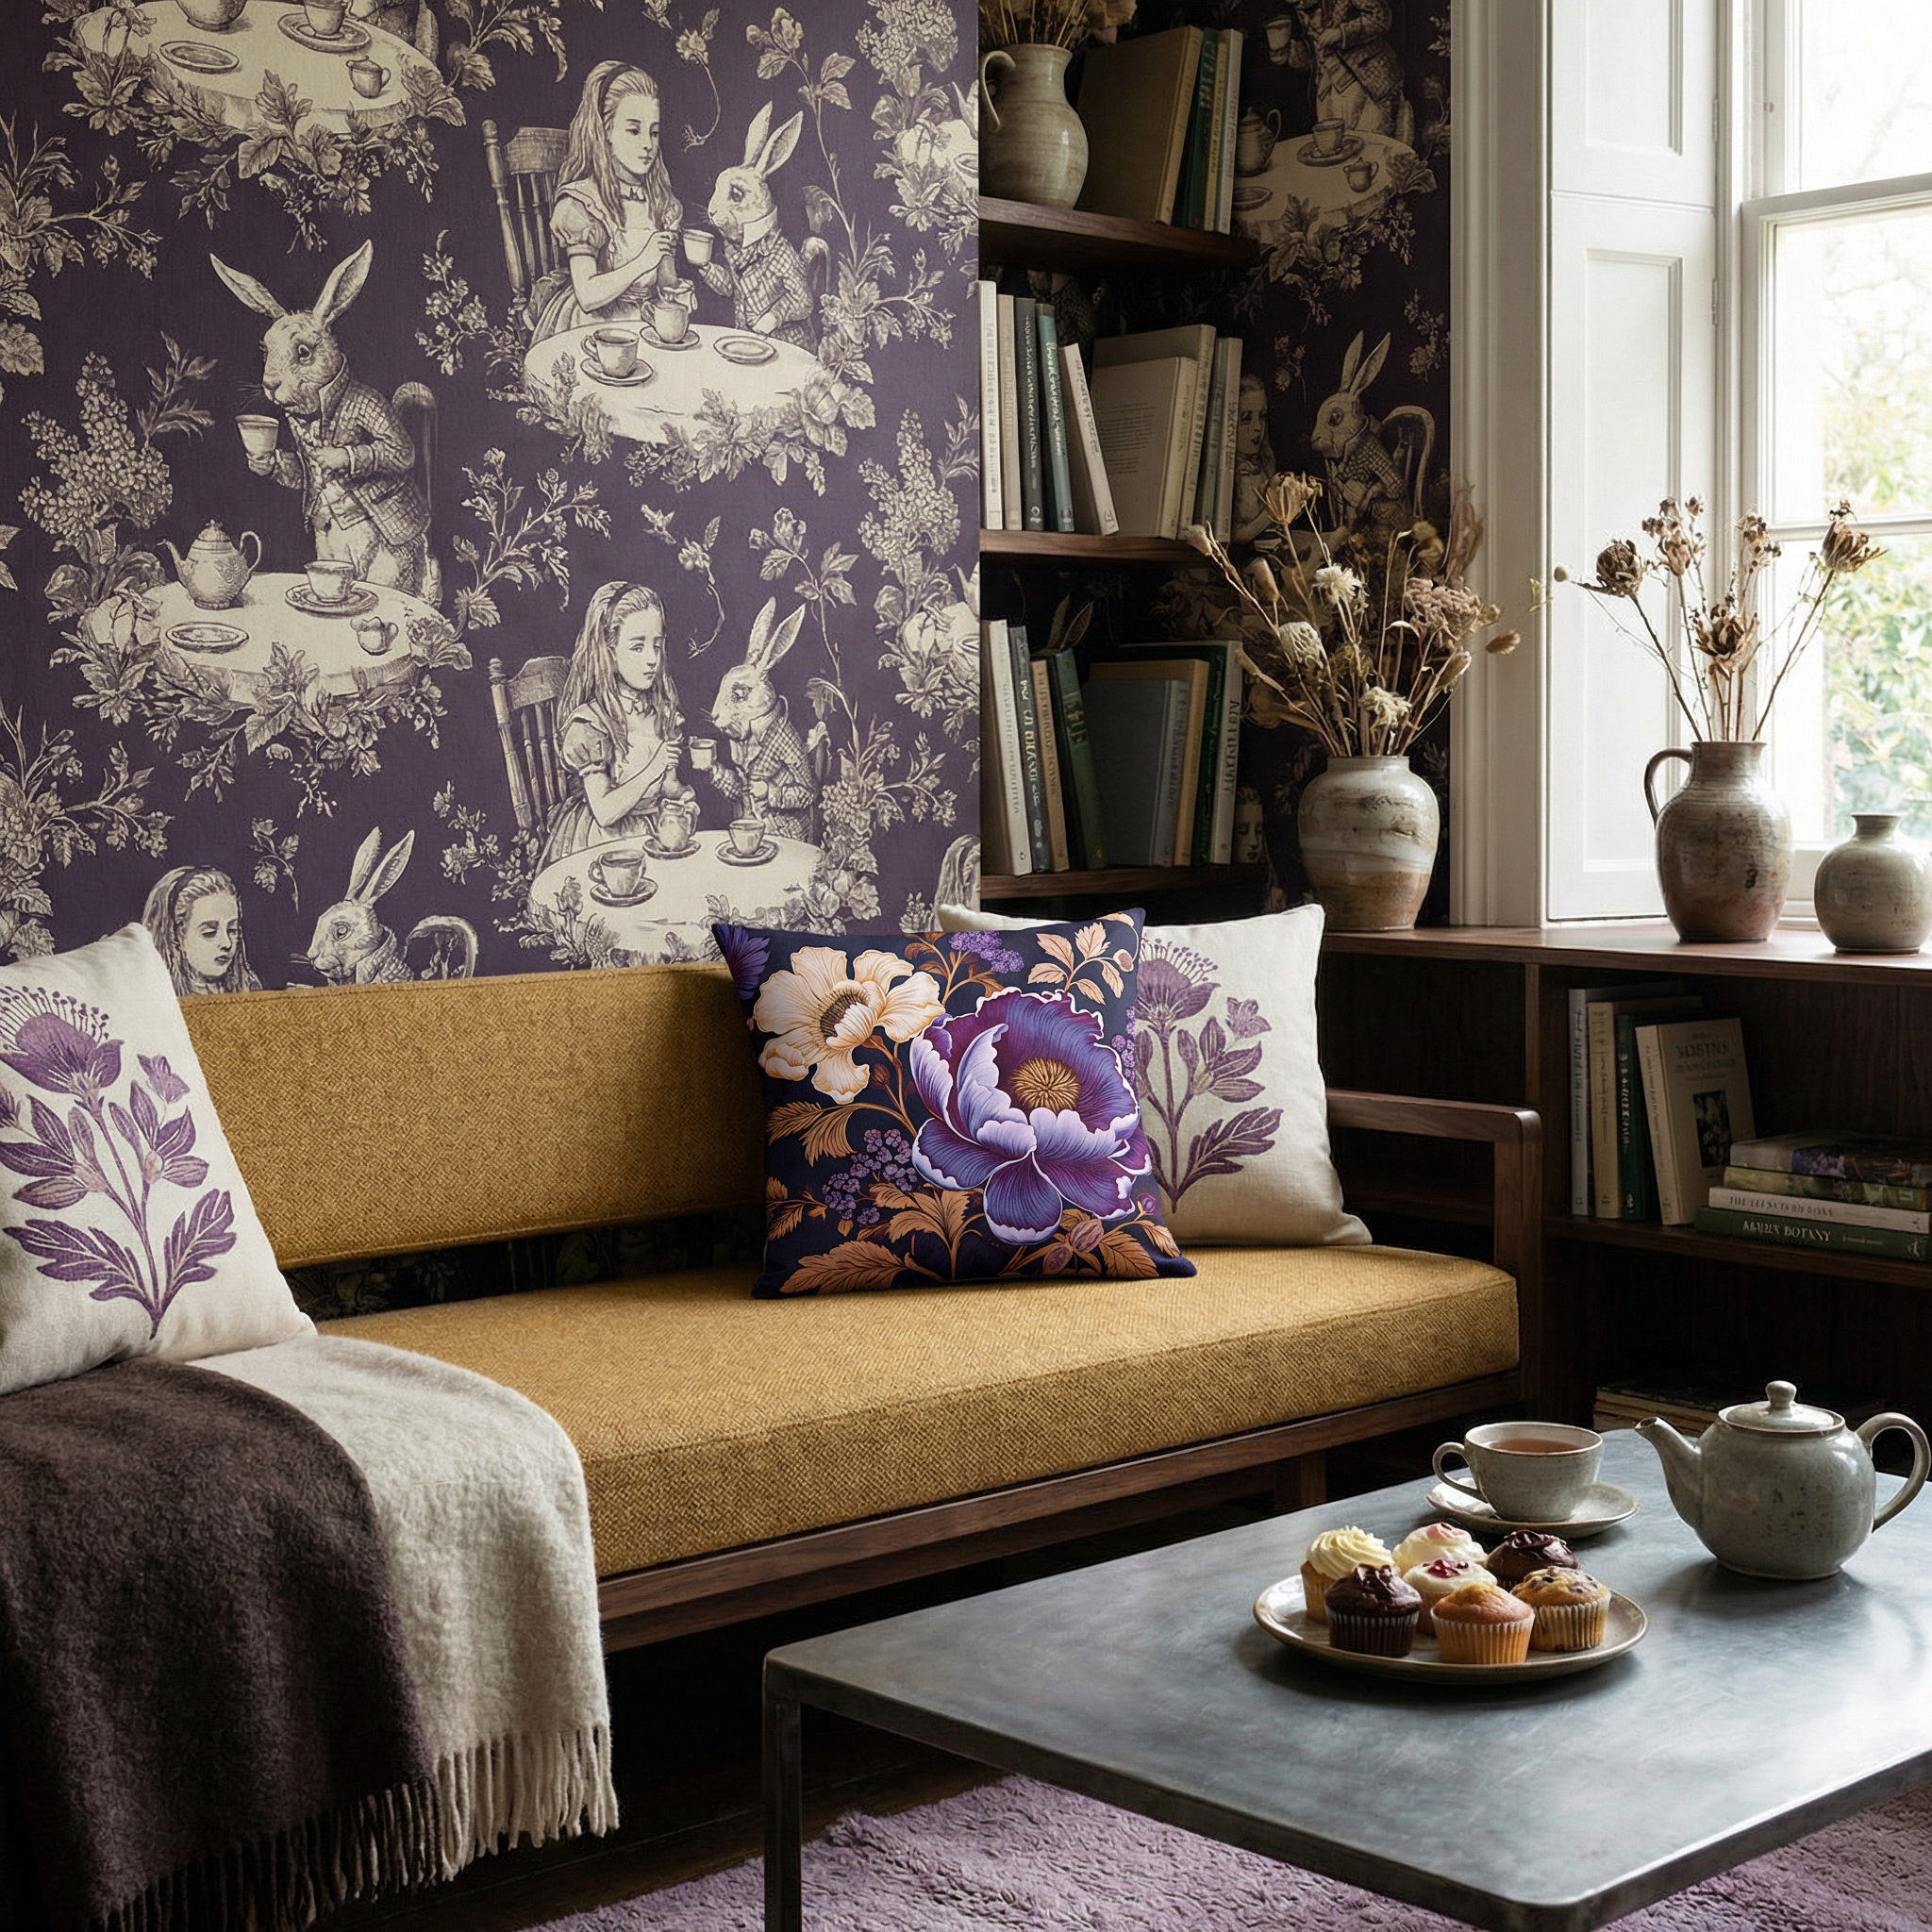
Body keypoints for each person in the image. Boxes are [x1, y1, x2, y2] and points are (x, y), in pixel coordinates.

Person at [528, 63, 685, 345]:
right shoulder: (583, 204)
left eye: (654, 132)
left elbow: (666, 281)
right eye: (634, 131)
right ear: (607, 131)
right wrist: (642, 262)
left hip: (645, 323)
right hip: (591, 328)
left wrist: (678, 292)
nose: (648, 144)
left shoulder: (663, 203)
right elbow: (587, 296)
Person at [541, 581, 696, 864]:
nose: (652, 660)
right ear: (609, 652)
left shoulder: (662, 711)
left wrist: (683, 797)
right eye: (638, 647)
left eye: (657, 646)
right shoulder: (591, 724)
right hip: (601, 841)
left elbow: (668, 785)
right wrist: (653, 769)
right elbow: (604, 811)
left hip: (651, 832)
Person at [142, 868, 262, 995]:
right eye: (209, 933)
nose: (227, 944)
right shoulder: (153, 997)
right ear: (176, 936)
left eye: (232, 930)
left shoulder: (251, 992)